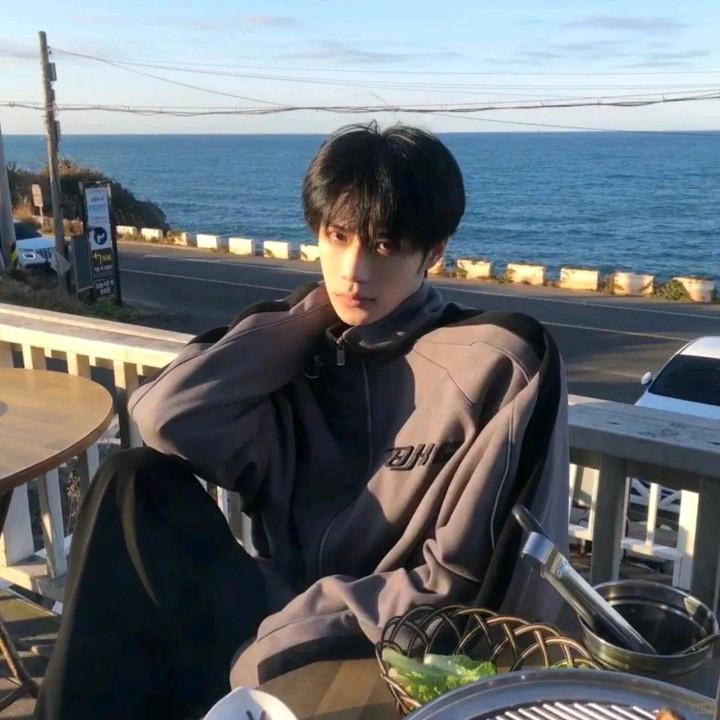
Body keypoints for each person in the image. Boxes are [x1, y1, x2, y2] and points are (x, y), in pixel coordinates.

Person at [34, 123, 568, 720]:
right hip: (275, 610)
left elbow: (464, 580)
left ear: (434, 252)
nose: (353, 270)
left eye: (384, 245)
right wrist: (313, 316)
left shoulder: (497, 362)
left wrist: (290, 629)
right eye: (337, 237)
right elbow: (164, 413)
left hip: (392, 647)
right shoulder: (301, 350)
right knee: (131, 481)